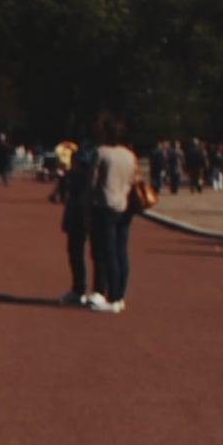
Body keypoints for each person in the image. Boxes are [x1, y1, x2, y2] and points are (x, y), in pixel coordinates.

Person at [89, 118, 137, 312]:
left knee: (106, 252)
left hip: (105, 205)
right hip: (124, 205)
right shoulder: (129, 155)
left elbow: (92, 181)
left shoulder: (101, 152)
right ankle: (120, 295)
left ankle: (113, 296)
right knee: (121, 251)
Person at [57, 137, 99, 304]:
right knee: (97, 254)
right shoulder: (93, 173)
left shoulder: (75, 176)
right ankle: (98, 291)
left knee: (76, 252)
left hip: (79, 213)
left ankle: (79, 289)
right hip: (94, 211)